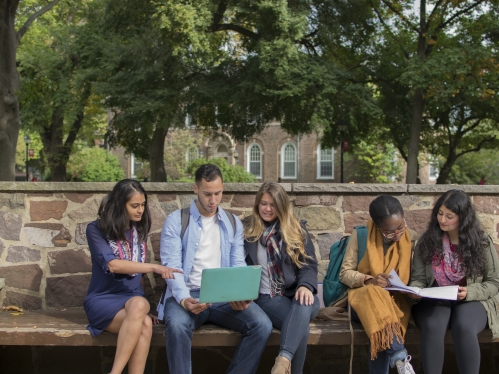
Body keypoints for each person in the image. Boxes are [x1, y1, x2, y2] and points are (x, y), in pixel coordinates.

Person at [158, 164, 272, 374]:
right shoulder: (176, 221)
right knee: (176, 327)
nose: (213, 200)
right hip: (187, 294)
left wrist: (240, 295)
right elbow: (171, 268)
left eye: (218, 193)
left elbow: (238, 263)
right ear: (195, 189)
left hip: (223, 297)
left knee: (262, 325)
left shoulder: (233, 223)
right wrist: (184, 299)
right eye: (207, 194)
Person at [84, 179, 181, 374]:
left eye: (143, 205)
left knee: (143, 317)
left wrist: (142, 307)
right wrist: (154, 267)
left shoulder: (139, 231)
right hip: (103, 299)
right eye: (134, 206)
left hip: (132, 302)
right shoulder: (96, 229)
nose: (140, 210)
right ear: (120, 205)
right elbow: (113, 265)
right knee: (143, 321)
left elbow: (138, 276)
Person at [409, 189, 499, 374]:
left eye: (449, 216)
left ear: (463, 217)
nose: (442, 220)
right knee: (434, 325)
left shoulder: (482, 242)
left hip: (471, 300)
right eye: (440, 214)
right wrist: (415, 291)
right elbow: (418, 279)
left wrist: (470, 292)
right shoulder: (426, 241)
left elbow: (494, 281)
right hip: (434, 299)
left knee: (464, 325)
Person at [244, 182, 320, 374]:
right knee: (299, 327)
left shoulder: (296, 230)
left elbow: (308, 265)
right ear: (257, 204)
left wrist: (304, 286)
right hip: (268, 297)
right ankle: (286, 364)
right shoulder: (248, 231)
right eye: (263, 203)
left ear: (282, 206)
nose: (267, 209)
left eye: (273, 204)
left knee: (303, 303)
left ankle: (282, 361)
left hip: (296, 294)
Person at [339, 195, 417, 374]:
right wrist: (369, 280)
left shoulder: (411, 239)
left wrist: (411, 290)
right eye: (389, 232)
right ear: (377, 225)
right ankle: (400, 358)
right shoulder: (360, 235)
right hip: (361, 300)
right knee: (374, 295)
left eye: (400, 227)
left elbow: (415, 276)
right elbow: (345, 273)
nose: (397, 234)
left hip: (396, 302)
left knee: (380, 320)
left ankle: (399, 360)